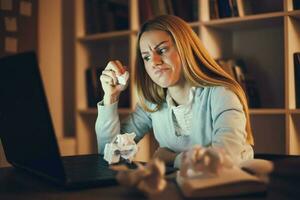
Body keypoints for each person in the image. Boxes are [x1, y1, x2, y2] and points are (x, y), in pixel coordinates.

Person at [96, 15, 254, 169]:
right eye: (147, 57)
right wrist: (111, 96)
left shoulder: (221, 94)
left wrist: (170, 159)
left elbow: (222, 162)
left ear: (185, 48)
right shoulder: (153, 103)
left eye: (162, 50)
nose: (155, 62)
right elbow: (110, 155)